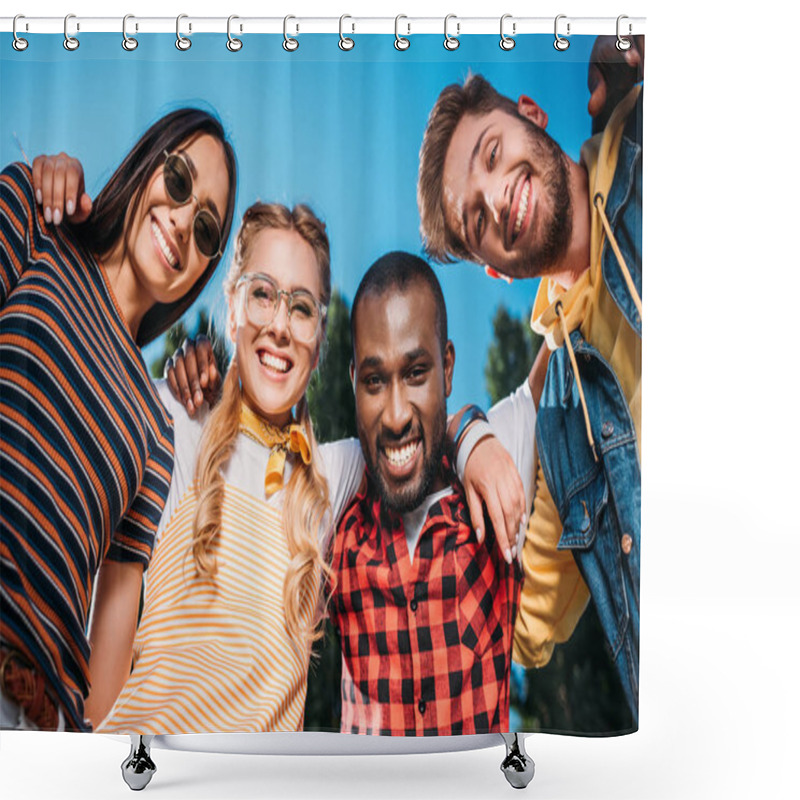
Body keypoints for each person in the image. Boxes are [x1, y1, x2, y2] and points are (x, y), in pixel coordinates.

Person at [417, 65, 643, 721]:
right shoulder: (561, 419)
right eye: (475, 217)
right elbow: (518, 627)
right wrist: (463, 437)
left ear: (531, 114)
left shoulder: (643, 139)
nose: (498, 197)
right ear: (492, 266)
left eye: (492, 153)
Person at [0, 109, 237, 732]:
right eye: (180, 182)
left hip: (32, 718)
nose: (184, 222)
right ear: (147, 161)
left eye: (207, 228)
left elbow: (110, 644)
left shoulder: (156, 431)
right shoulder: (33, 219)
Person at [329, 251, 538, 735]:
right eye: (375, 381)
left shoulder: (498, 463)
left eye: (416, 373)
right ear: (354, 384)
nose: (397, 413)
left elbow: (570, 333)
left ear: (447, 367)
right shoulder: (334, 500)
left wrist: (469, 434)